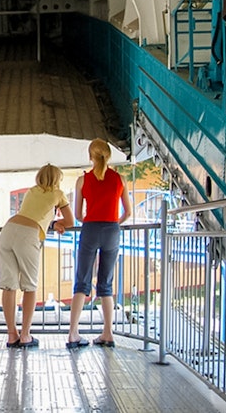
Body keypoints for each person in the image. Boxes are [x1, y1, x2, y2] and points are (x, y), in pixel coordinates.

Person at [0, 163, 75, 348]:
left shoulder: (31, 191)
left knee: (9, 286)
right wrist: (57, 223)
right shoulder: (58, 194)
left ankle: (11, 334)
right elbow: (70, 221)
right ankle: (25, 335)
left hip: (8, 230)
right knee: (29, 286)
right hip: (28, 235)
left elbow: (34, 213)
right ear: (58, 179)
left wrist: (50, 222)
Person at [66, 139, 132, 349]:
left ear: (90, 156)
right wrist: (114, 223)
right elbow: (128, 212)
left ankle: (73, 333)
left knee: (82, 281)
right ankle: (107, 332)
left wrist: (92, 221)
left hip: (90, 229)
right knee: (106, 283)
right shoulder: (120, 179)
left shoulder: (82, 181)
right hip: (112, 230)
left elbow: (78, 214)